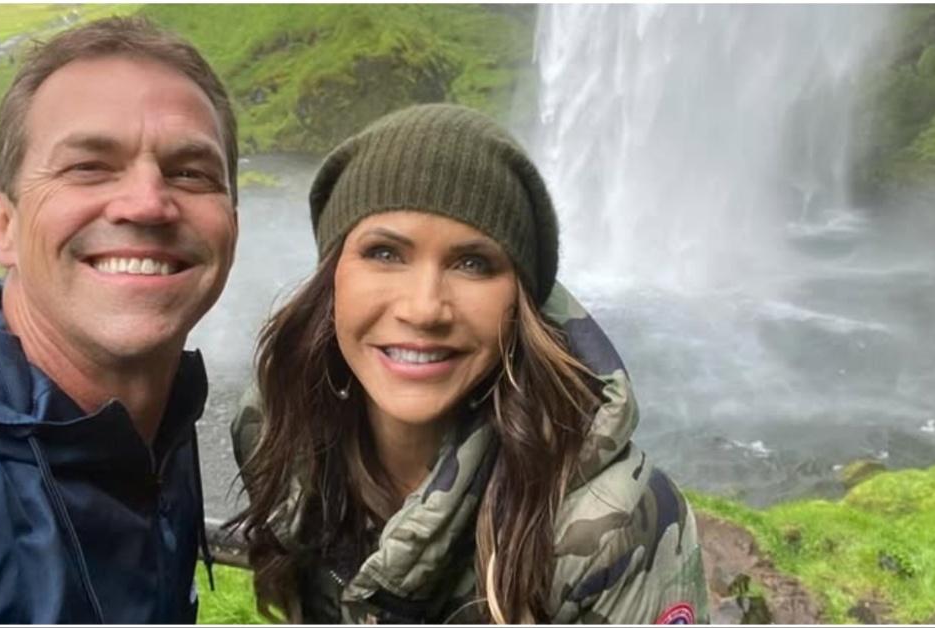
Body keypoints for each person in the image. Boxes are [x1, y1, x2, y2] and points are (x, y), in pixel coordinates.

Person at [230, 104, 709, 624]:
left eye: (473, 263)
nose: (424, 308)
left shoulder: (616, 523)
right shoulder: (279, 438)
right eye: (385, 253)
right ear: (333, 276)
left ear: (522, 305)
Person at [0, 16, 239, 623]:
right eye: (88, 165)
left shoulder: (156, 421)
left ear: (232, 221)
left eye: (191, 172)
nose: (148, 203)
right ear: (1, 226)